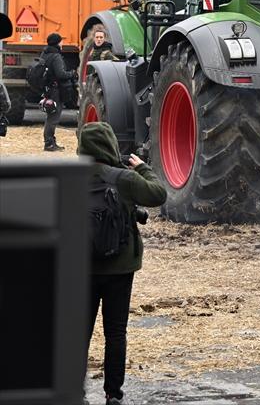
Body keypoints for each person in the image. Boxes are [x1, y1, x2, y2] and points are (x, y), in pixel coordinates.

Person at [79, 120, 167, 405]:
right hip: (121, 267)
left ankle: (74, 388)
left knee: (80, 331)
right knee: (115, 332)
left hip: (82, 268)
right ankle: (113, 393)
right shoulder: (124, 179)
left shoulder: (70, 177)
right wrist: (141, 166)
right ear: (110, 145)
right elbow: (158, 194)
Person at [38, 32, 76, 151]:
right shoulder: (56, 56)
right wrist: (72, 73)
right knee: (53, 117)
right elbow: (61, 74)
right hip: (55, 90)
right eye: (61, 41)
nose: (62, 43)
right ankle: (49, 143)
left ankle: (50, 142)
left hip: (48, 88)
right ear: (57, 42)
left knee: (51, 115)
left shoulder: (45, 53)